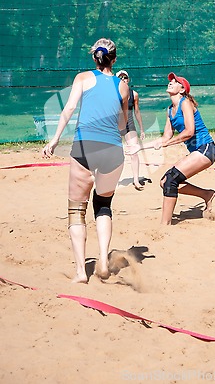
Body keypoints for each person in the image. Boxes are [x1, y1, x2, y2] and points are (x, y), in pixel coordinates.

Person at [42, 38, 129, 283]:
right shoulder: (122, 86)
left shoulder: (82, 78)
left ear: (94, 57)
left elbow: (68, 109)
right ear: (114, 59)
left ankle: (81, 272)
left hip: (85, 146)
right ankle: (103, 260)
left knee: (76, 209)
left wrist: (55, 140)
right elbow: (123, 125)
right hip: (113, 149)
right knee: (103, 205)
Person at [128, 72, 215, 225]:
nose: (170, 82)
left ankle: (165, 225)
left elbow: (189, 132)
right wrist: (140, 147)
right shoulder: (170, 110)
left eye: (175, 81)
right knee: (165, 182)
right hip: (198, 151)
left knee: (171, 180)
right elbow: (165, 137)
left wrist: (166, 144)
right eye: (170, 81)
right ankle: (207, 194)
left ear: (182, 89)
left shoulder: (185, 103)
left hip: (206, 149)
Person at [116, 69, 145, 190]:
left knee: (134, 151)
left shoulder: (134, 94)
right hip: (115, 125)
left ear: (129, 80)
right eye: (121, 78)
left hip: (129, 124)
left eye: (125, 77)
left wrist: (142, 129)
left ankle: (136, 180)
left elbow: (137, 112)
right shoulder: (113, 93)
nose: (123, 79)